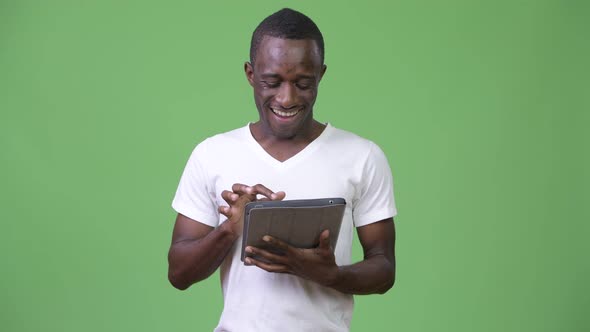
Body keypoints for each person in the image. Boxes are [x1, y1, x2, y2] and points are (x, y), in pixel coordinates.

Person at [168, 8, 397, 332]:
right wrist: (230, 229)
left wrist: (331, 275)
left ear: (321, 74)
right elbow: (179, 274)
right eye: (271, 82)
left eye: (303, 83)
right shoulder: (211, 154)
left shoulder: (362, 156)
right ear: (250, 74)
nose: (287, 98)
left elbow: (385, 268)